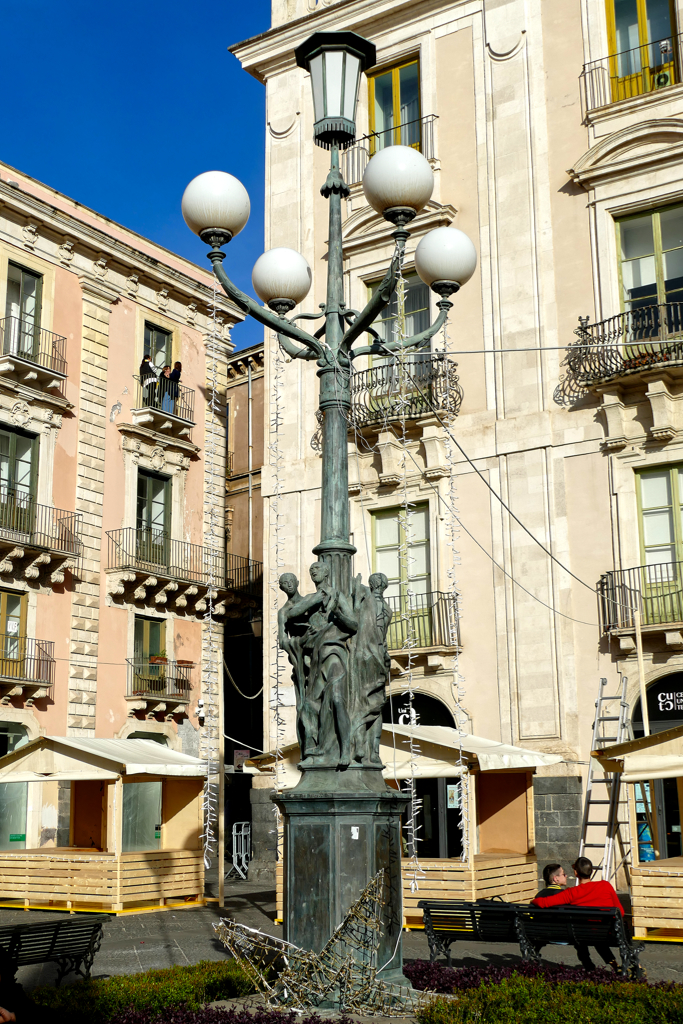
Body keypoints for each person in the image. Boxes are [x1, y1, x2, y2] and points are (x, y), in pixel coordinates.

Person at [532, 856, 621, 972]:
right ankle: (619, 966)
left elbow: (544, 902)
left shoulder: (571, 893)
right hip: (606, 932)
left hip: (579, 933)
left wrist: (533, 901)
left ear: (576, 873)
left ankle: (589, 964)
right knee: (594, 933)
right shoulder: (605, 885)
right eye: (563, 874)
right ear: (591, 871)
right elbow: (620, 911)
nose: (566, 876)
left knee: (581, 931)